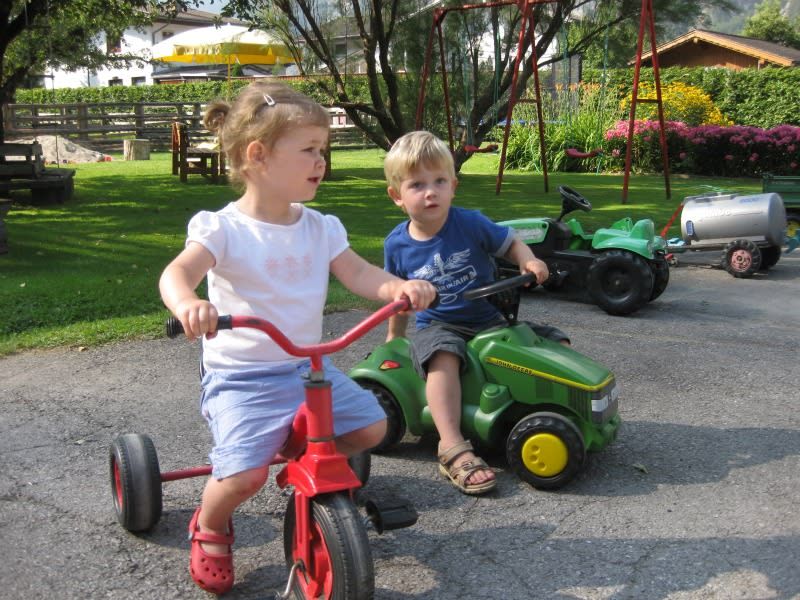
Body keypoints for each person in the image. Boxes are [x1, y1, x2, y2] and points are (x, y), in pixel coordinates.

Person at [159, 83, 436, 595]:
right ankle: (210, 524)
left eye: (322, 150)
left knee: (372, 427)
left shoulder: (320, 227)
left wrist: (396, 287)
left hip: (306, 369)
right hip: (242, 376)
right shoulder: (223, 229)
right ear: (258, 155)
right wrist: (188, 304)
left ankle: (304, 460)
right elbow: (176, 273)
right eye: (309, 149)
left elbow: (358, 273)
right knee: (244, 477)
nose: (321, 161)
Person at [382, 131, 569, 496]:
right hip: (439, 325)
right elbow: (397, 298)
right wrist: (395, 336)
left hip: (490, 318)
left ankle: (555, 407)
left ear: (453, 186)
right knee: (443, 358)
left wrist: (528, 260)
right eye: (417, 184)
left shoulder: (470, 223)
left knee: (551, 340)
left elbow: (511, 242)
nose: (430, 192)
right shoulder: (397, 245)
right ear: (397, 196)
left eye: (439, 181)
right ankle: (451, 444)